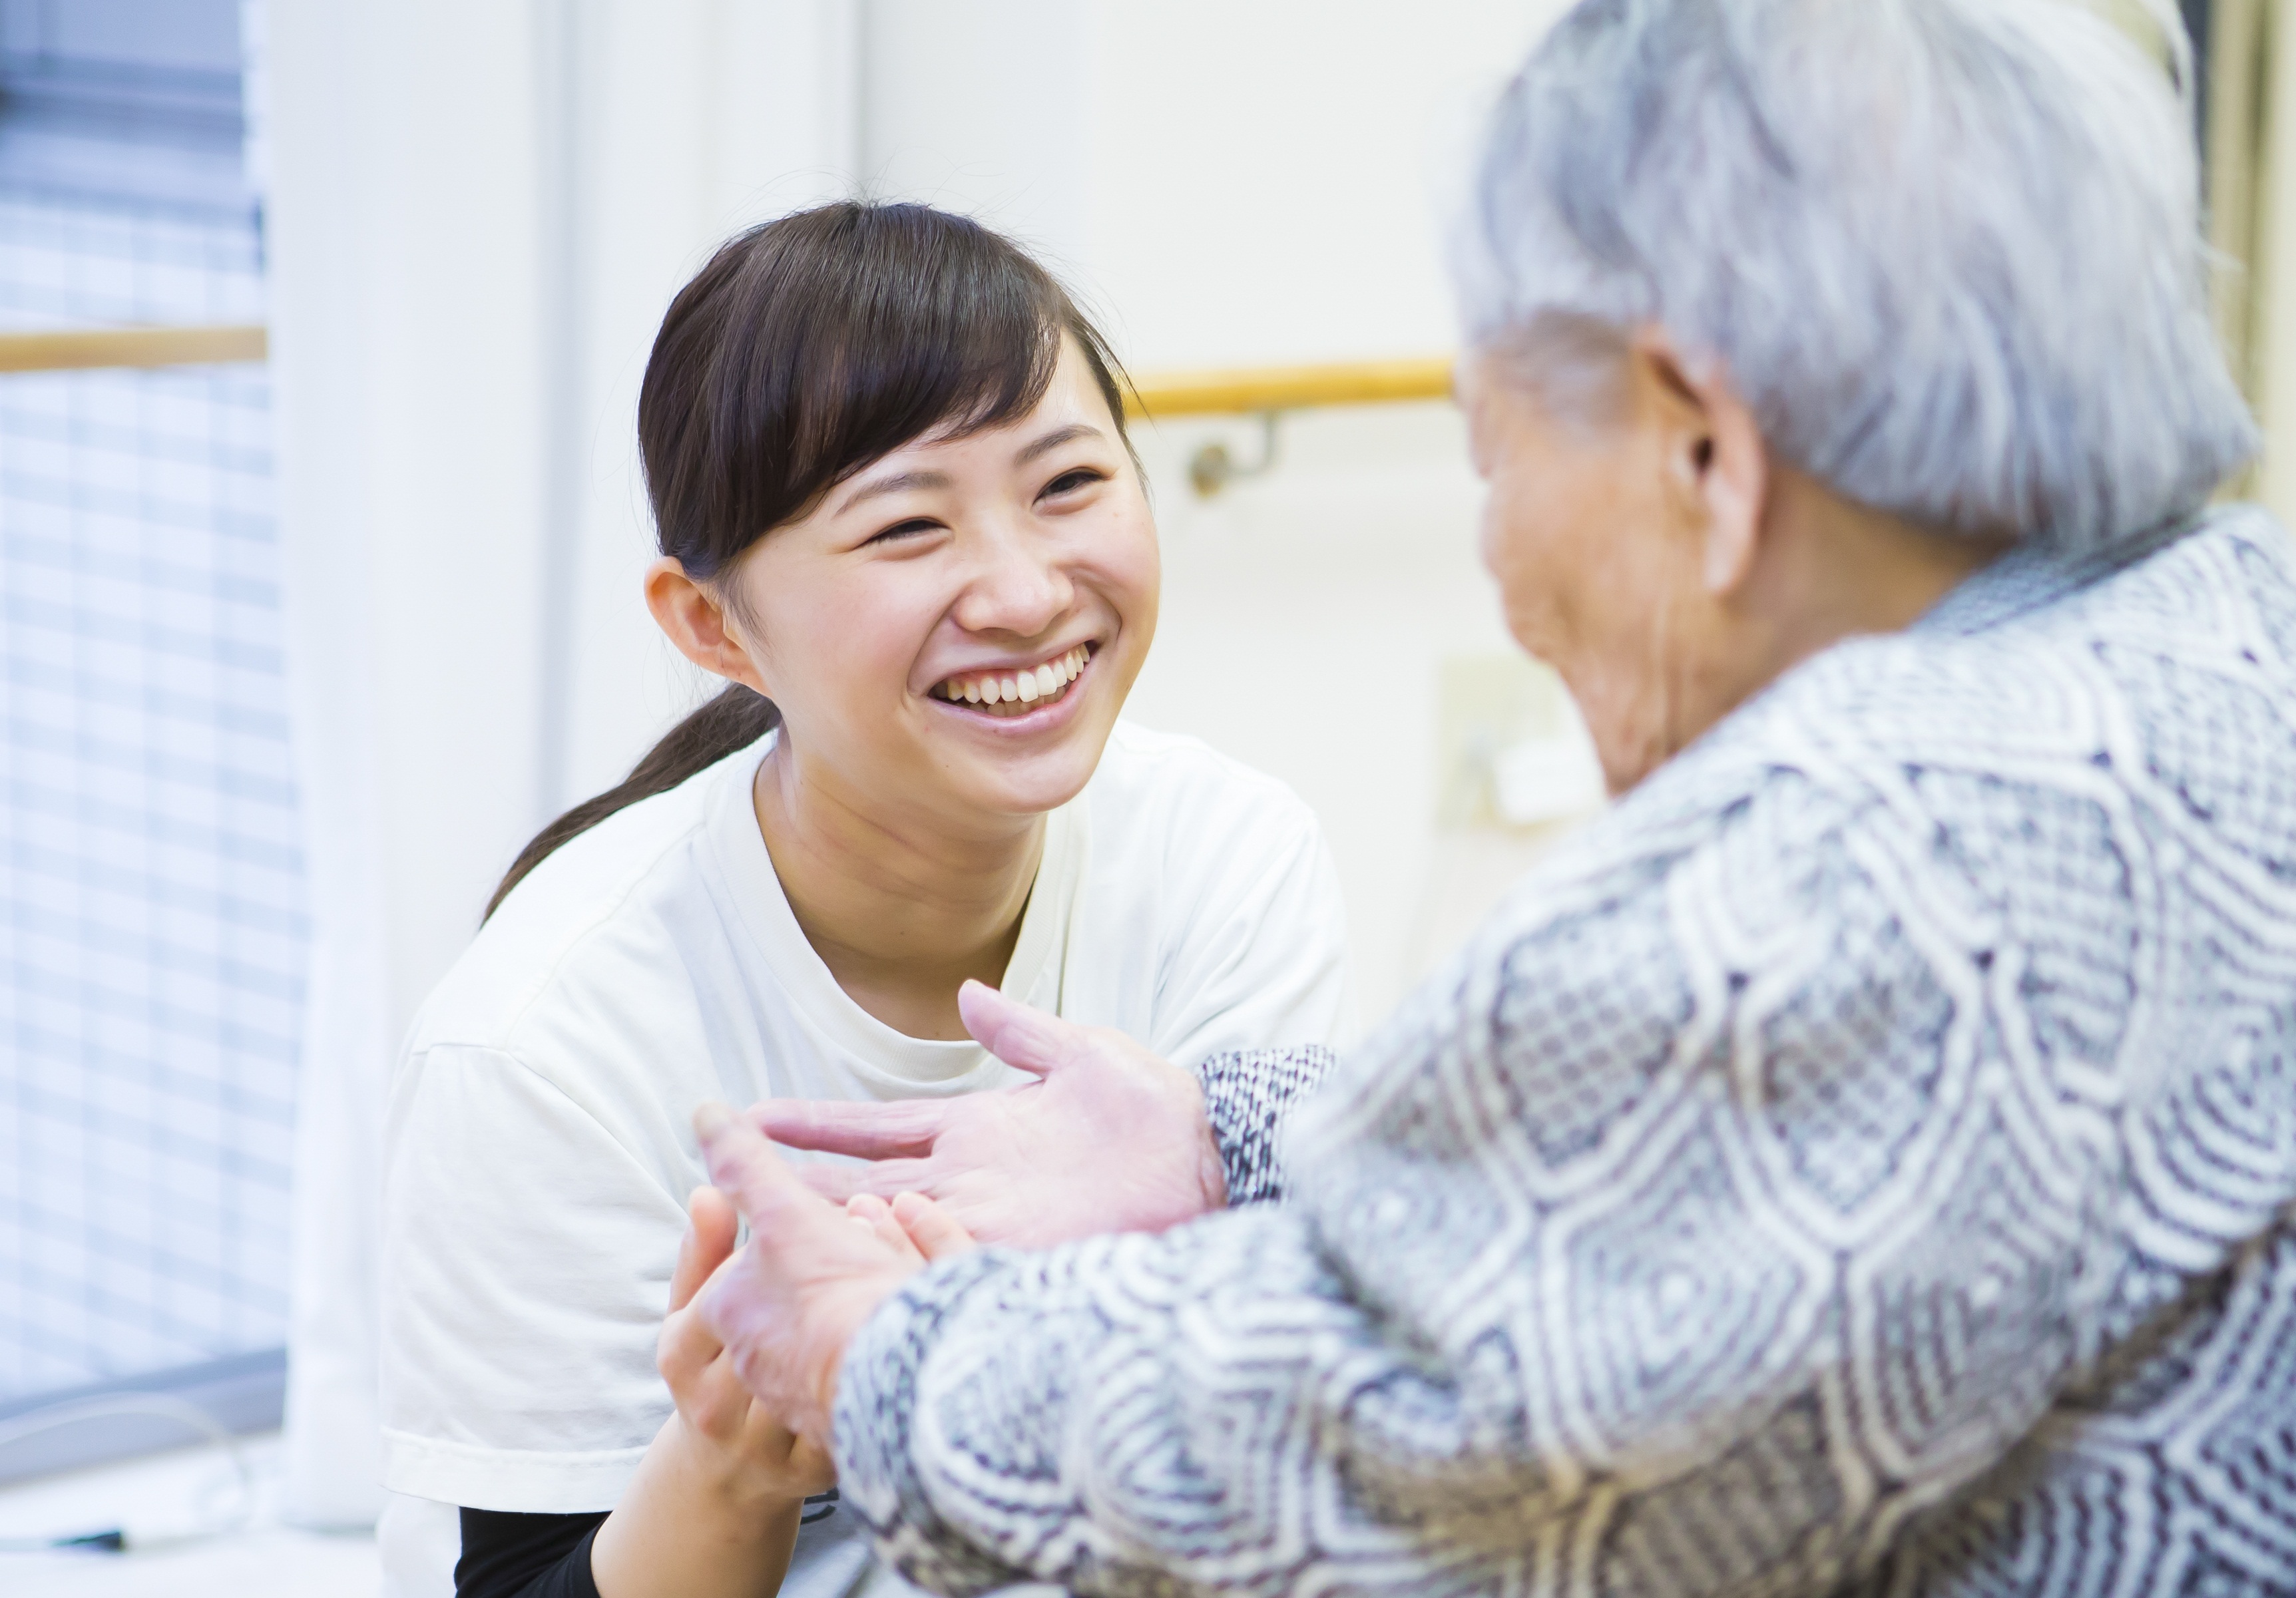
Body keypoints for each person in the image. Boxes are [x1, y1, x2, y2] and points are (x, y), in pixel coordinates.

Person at [678, 3, 2296, 1595]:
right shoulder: (2228, 631)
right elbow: (1671, 1193)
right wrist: (1223, 1142)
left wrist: (884, 1353)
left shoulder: (1861, 854)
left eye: (1495, 447)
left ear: (1707, 459)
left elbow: (1418, 1458)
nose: (1500, 552)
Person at [374, 202, 1353, 1598]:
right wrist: (731, 1461)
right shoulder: (544, 1041)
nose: (1023, 592)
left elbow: (1283, 1448)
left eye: (1068, 484)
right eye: (907, 526)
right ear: (714, 626)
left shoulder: (1227, 861)